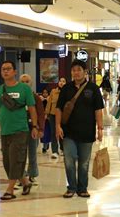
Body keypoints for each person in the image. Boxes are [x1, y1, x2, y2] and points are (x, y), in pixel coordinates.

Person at [0, 61, 39, 200]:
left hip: (20, 130)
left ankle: (10, 190)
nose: (5, 71)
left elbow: (32, 108)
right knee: (7, 162)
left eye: (8, 69)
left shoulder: (24, 89)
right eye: (3, 69)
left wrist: (35, 126)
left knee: (16, 159)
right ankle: (25, 182)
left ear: (14, 71)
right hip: (5, 131)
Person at [56, 60, 105, 198]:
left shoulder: (93, 88)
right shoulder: (66, 88)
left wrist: (100, 128)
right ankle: (71, 187)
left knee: (84, 163)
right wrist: (57, 126)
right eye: (73, 70)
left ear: (85, 72)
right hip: (68, 132)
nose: (76, 73)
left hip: (87, 131)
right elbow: (59, 108)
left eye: (79, 70)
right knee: (69, 160)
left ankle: (82, 188)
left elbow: (98, 110)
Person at [19, 74, 45, 184]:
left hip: (33, 129)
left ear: (31, 83)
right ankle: (21, 176)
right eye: (23, 81)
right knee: (20, 154)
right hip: (20, 129)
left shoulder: (36, 98)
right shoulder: (17, 97)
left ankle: (32, 174)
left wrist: (41, 129)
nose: (25, 83)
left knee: (32, 152)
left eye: (27, 81)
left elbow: (41, 114)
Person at [45, 77, 66, 158]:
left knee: (62, 132)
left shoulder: (67, 92)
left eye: (63, 81)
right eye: (60, 81)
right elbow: (49, 102)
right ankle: (54, 151)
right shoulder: (53, 91)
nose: (61, 82)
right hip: (53, 114)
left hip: (63, 115)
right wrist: (46, 113)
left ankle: (63, 148)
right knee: (53, 133)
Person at [40, 88, 51, 153]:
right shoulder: (40, 100)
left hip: (48, 119)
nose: (45, 94)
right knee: (43, 133)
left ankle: (46, 145)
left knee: (47, 133)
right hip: (42, 119)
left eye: (46, 92)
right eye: (44, 93)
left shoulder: (50, 100)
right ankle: (44, 146)